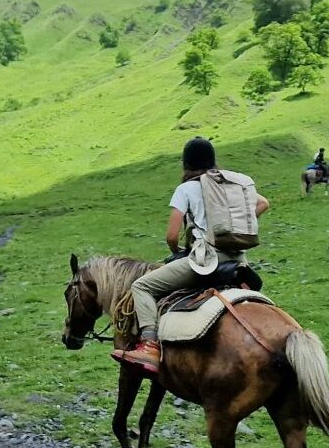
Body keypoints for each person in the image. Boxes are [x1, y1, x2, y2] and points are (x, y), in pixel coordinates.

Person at [111, 137, 270, 375]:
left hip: (206, 262)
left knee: (142, 286)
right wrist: (230, 228)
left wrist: (178, 252)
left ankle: (149, 345)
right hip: (238, 261)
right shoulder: (228, 184)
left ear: (186, 164)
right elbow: (263, 203)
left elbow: (172, 236)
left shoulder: (186, 188)